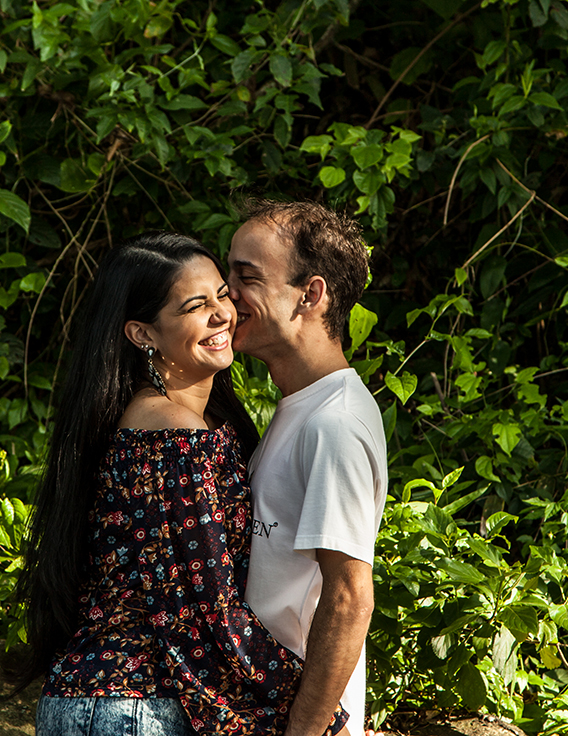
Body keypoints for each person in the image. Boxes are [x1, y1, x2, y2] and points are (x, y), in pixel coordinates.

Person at [16, 232, 348, 736]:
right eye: (195, 306)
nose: (222, 313)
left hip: (103, 701)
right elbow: (207, 615)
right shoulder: (174, 435)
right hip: (132, 707)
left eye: (222, 293)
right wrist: (320, 717)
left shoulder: (166, 421)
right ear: (142, 334)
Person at [226, 200, 388, 736]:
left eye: (246, 276)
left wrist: (303, 731)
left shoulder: (333, 423)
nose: (227, 293)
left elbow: (349, 597)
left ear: (310, 294)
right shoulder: (303, 408)